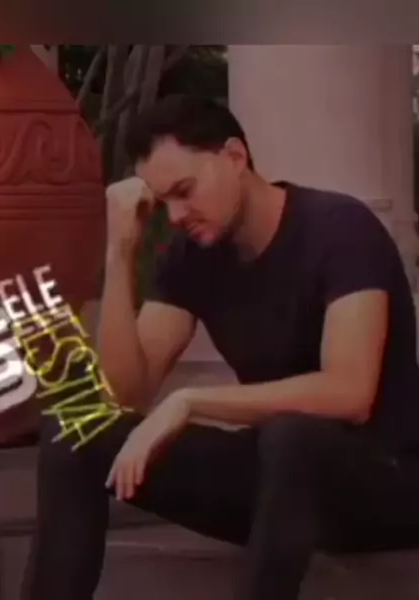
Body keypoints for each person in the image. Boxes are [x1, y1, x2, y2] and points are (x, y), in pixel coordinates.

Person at [21, 94, 419, 600]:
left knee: (292, 436)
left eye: (185, 191)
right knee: (74, 428)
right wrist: (120, 253)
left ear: (234, 156)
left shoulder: (340, 229)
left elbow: (349, 393)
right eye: (162, 202)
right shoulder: (193, 255)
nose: (176, 214)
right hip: (279, 486)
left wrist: (190, 401)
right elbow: (123, 397)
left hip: (387, 483)